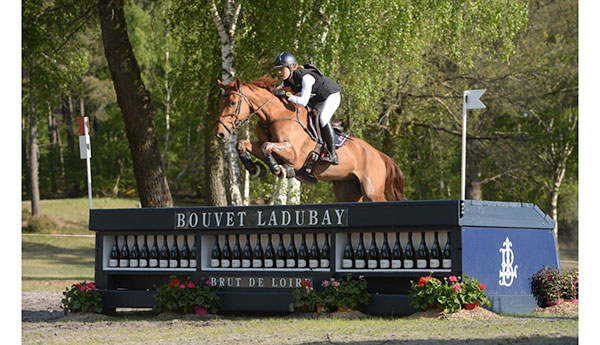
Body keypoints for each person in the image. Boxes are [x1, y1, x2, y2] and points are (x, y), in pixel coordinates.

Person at [273, 52, 341, 165]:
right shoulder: (287, 81)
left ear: (291, 67)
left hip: (331, 95)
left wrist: (287, 95)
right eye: (278, 70)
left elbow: (303, 102)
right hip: (317, 98)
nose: (279, 72)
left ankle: (333, 154)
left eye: (282, 69)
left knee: (323, 118)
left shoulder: (305, 77)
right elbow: (278, 90)